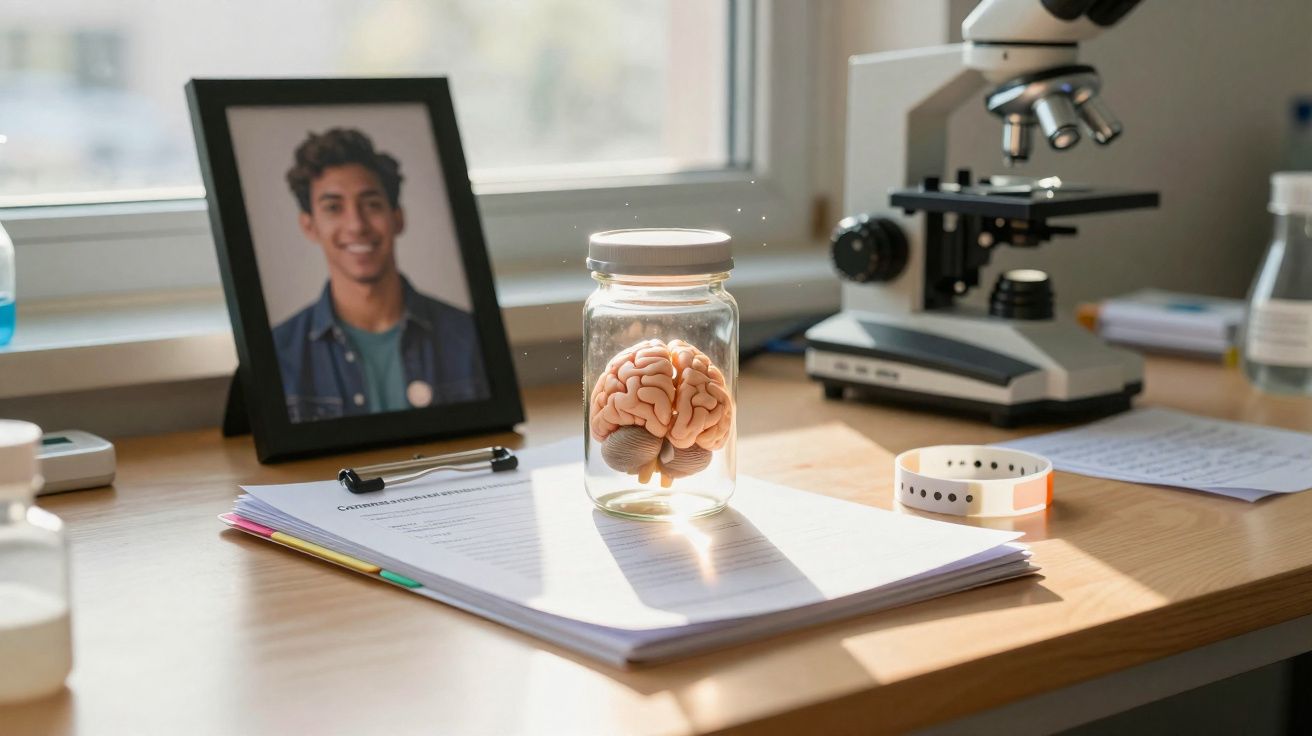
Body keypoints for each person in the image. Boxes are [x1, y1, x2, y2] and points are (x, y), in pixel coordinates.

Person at [272, 127, 489, 422]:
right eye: (334, 208)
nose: (357, 225)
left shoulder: (469, 337)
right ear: (310, 227)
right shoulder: (279, 355)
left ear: (397, 218)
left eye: (372, 204)